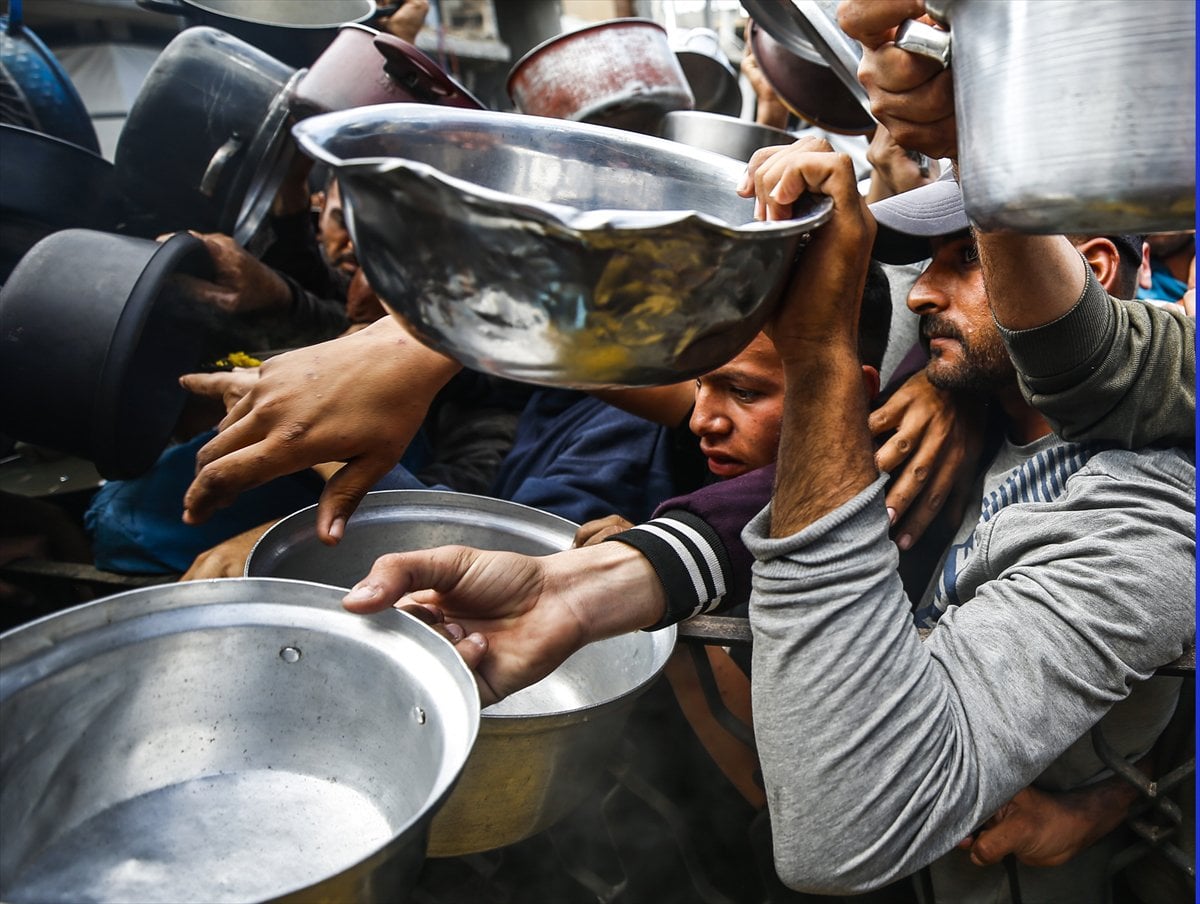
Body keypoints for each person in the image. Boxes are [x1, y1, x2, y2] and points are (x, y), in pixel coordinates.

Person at [340, 155, 1193, 902]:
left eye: (967, 257)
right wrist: (577, 588)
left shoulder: (1139, 512)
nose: (922, 293)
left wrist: (1114, 800)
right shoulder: (957, 409)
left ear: (1091, 271)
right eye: (930, 260)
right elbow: (827, 470)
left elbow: (842, 828)